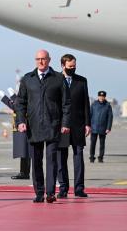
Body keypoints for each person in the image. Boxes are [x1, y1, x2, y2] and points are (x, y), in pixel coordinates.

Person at [15, 49, 71, 203]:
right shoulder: (28, 79)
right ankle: (39, 192)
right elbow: (20, 103)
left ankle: (51, 192)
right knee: (36, 161)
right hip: (33, 127)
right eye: (38, 59)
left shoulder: (59, 78)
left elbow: (66, 103)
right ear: (35, 60)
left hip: (53, 125)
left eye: (44, 59)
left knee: (52, 160)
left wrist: (65, 123)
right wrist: (20, 121)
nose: (41, 61)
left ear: (49, 60)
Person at [56, 54, 90, 198]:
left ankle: (79, 188)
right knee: (61, 158)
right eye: (70, 67)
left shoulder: (82, 81)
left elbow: (86, 104)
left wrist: (88, 123)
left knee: (78, 157)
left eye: (74, 66)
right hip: (61, 125)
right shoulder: (55, 80)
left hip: (78, 125)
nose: (73, 69)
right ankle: (63, 188)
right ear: (63, 66)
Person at [89, 91, 113, 163]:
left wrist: (108, 128)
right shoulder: (94, 104)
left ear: (105, 97)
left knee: (102, 144)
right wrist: (88, 126)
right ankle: (92, 157)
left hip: (103, 128)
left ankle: (100, 157)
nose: (101, 98)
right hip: (94, 127)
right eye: (100, 96)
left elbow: (110, 117)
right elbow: (90, 115)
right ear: (98, 96)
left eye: (103, 96)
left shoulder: (108, 105)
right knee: (93, 143)